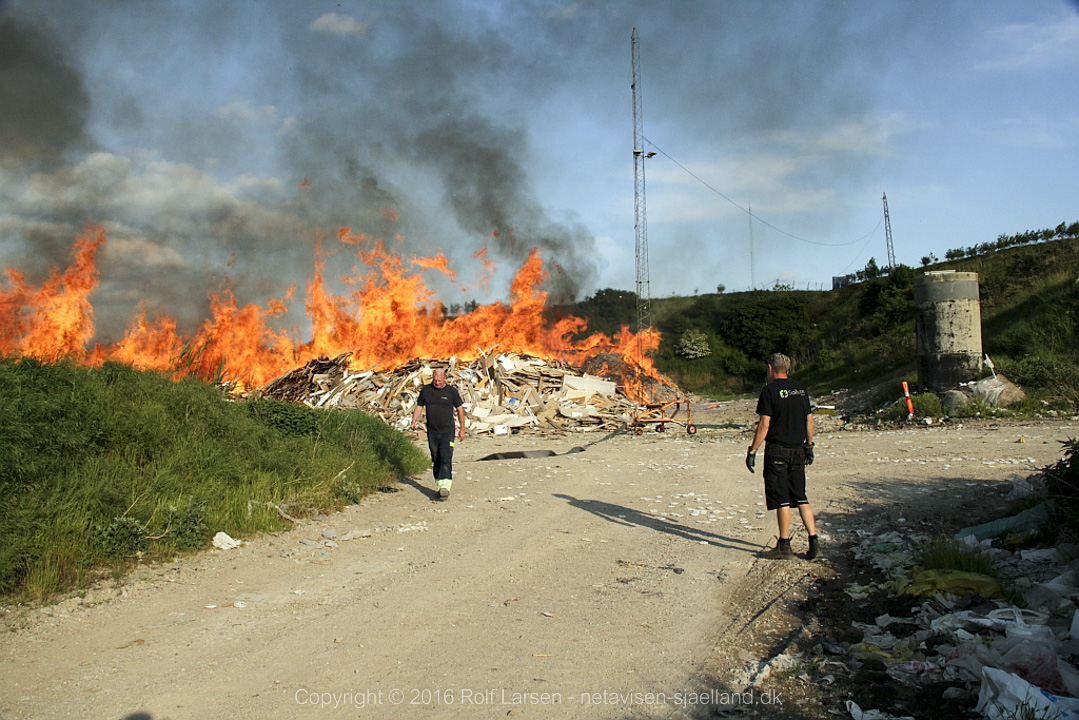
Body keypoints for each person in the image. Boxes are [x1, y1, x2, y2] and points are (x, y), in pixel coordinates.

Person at [745, 353, 820, 559]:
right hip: (798, 449)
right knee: (801, 496)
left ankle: (784, 546)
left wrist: (753, 450)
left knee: (782, 500)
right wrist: (809, 445)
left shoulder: (768, 391)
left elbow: (764, 425)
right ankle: (814, 543)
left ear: (770, 368)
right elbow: (810, 420)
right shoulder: (800, 389)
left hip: (777, 450)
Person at [411, 367, 466, 500]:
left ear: (445, 379)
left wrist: (462, 429)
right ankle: (439, 483)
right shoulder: (426, 391)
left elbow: (460, 410)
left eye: (440, 381)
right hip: (432, 432)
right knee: (436, 459)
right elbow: (419, 406)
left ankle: (445, 488)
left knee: (445, 457)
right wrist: (414, 421)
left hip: (447, 431)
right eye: (435, 380)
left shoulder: (451, 392)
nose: (437, 383)